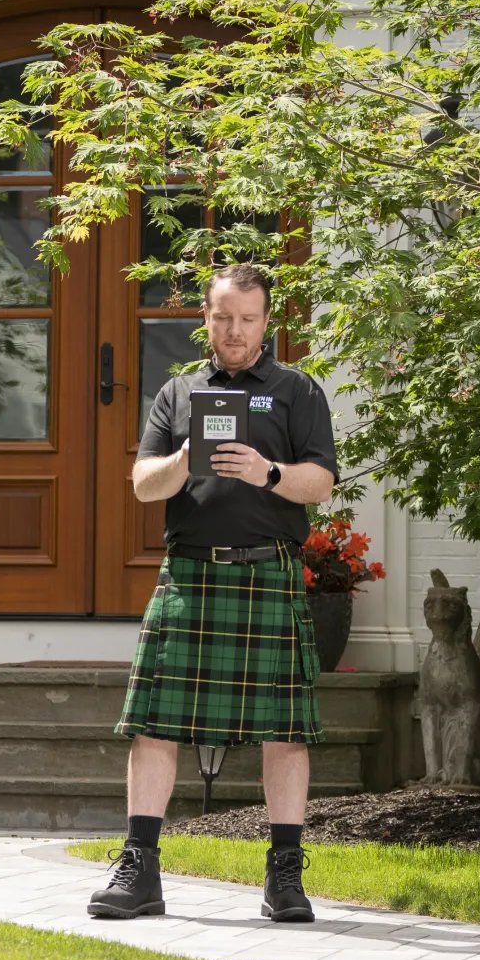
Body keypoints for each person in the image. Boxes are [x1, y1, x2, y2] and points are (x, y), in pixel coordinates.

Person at [87, 263, 338, 923]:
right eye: (223, 317)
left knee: (285, 732)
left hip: (268, 571)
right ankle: (139, 869)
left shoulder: (296, 390)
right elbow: (144, 485)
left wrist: (268, 470)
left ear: (266, 321)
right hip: (191, 572)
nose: (234, 331)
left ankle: (285, 875)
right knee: (153, 725)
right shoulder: (180, 393)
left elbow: (320, 484)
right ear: (206, 315)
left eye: (247, 319)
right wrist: (184, 456)